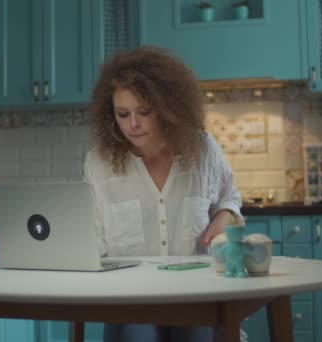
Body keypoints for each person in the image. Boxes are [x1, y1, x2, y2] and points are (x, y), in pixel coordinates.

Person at [83, 46, 243, 342]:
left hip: (195, 294)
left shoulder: (202, 150)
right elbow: (91, 244)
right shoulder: (99, 164)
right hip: (128, 299)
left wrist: (224, 217)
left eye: (144, 111)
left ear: (168, 106)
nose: (133, 123)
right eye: (123, 113)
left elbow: (230, 197)